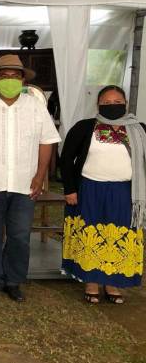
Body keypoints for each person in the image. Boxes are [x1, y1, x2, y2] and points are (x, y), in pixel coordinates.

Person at [0, 55, 60, 302]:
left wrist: (40, 176)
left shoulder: (36, 108)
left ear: (22, 80)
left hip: (25, 184)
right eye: (4, 76)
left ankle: (14, 281)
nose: (9, 80)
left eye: (15, 76)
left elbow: (47, 142)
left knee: (19, 236)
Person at [61, 85, 145, 304]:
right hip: (89, 190)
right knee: (90, 236)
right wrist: (70, 189)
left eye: (117, 102)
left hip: (125, 192)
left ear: (126, 104)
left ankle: (113, 283)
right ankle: (91, 282)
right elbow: (66, 158)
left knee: (119, 237)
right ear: (98, 104)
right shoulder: (84, 127)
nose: (112, 106)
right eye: (106, 103)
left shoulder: (139, 130)